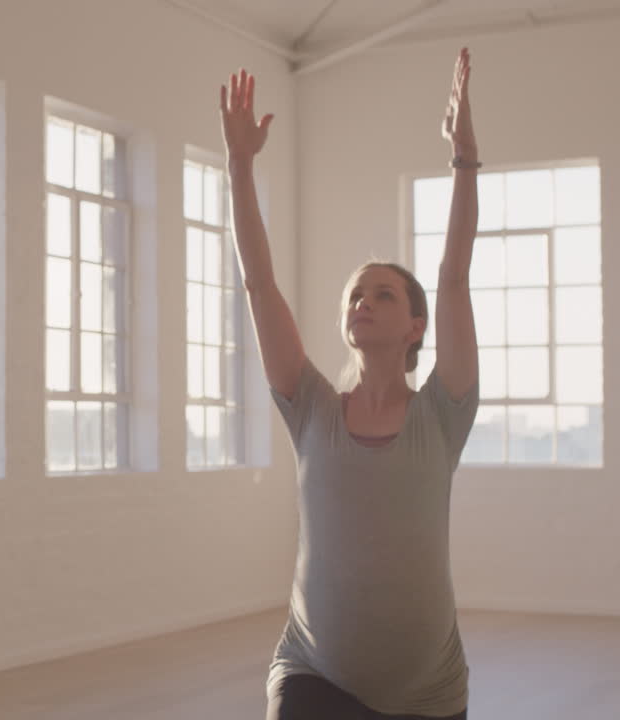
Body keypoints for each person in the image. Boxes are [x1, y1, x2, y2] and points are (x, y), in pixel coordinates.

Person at [218, 49, 482, 720]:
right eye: (356, 294)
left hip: (429, 692)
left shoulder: (442, 414)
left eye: (384, 294)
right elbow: (259, 282)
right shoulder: (310, 408)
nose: (363, 301)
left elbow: (453, 275)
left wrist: (463, 159)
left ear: (416, 325)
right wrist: (240, 167)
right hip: (316, 674)